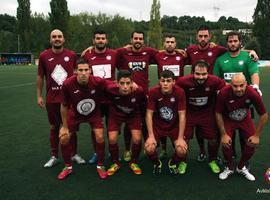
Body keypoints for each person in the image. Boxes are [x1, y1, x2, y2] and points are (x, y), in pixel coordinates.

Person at [36, 29, 85, 168]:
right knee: (54, 127)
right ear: (50, 39)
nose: (57, 39)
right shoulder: (44, 56)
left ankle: (74, 154)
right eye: (54, 37)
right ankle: (54, 156)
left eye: (59, 36)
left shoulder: (71, 55)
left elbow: (79, 74)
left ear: (63, 39)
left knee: (72, 128)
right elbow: (40, 77)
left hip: (69, 99)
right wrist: (39, 95)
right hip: (52, 98)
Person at [214, 31, 262, 160]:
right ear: (227, 43)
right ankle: (232, 153)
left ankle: (244, 158)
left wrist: (255, 86)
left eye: (235, 41)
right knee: (229, 128)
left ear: (240, 42)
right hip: (227, 101)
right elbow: (217, 80)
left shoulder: (248, 57)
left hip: (244, 99)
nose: (233, 43)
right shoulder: (220, 60)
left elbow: (254, 74)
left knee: (244, 129)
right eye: (230, 41)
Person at [57, 58, 108, 180]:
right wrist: (64, 126)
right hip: (75, 114)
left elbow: (112, 85)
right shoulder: (68, 84)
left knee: (100, 136)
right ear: (75, 71)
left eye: (86, 70)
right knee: (64, 138)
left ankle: (100, 166)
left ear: (90, 70)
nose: (84, 73)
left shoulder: (97, 81)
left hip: (94, 113)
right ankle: (68, 167)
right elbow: (63, 106)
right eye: (81, 70)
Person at [176, 60, 226, 174]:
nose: (201, 77)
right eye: (198, 74)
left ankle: (212, 160)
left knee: (213, 139)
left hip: (207, 113)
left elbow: (226, 88)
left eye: (204, 74)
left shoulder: (215, 80)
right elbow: (171, 87)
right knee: (184, 139)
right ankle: (183, 161)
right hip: (189, 113)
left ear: (208, 73)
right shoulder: (183, 81)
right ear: (193, 72)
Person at [216, 73, 268, 181]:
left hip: (244, 119)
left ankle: (241, 167)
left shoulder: (253, 93)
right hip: (228, 119)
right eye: (235, 86)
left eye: (241, 85)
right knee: (226, 142)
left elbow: (264, 115)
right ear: (231, 85)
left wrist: (256, 135)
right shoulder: (223, 93)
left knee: (252, 142)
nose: (238, 89)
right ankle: (229, 167)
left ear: (246, 84)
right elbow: (218, 113)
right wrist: (223, 134)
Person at [117, 31, 158, 162]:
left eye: (140, 38)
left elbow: (164, 54)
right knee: (128, 124)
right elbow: (109, 52)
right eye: (135, 38)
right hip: (127, 95)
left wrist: (178, 50)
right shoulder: (123, 53)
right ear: (131, 39)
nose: (138, 41)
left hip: (144, 95)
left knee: (146, 122)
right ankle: (127, 150)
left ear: (143, 40)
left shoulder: (148, 52)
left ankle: (147, 145)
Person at [83, 30, 118, 164]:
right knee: (95, 127)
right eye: (98, 38)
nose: (100, 41)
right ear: (93, 41)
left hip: (110, 98)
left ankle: (111, 151)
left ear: (106, 40)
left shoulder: (114, 54)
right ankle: (97, 152)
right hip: (94, 98)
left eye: (103, 38)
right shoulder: (87, 55)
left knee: (111, 127)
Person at [145, 70, 187, 175]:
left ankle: (172, 163)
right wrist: (150, 136)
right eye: (163, 81)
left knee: (182, 150)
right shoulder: (153, 92)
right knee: (149, 148)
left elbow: (182, 115)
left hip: (174, 126)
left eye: (168, 81)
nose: (165, 83)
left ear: (174, 82)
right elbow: (149, 114)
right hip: (158, 126)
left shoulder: (180, 92)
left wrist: (181, 138)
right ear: (159, 81)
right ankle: (156, 162)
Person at [105, 70, 146, 176]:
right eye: (122, 83)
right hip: (115, 115)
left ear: (132, 83)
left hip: (133, 114)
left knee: (137, 138)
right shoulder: (110, 89)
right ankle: (115, 163)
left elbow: (143, 105)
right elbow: (102, 84)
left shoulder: (139, 91)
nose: (125, 86)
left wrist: (142, 119)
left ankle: (134, 162)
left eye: (128, 83)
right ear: (117, 83)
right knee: (112, 138)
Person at [154, 35, 187, 159]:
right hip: (163, 94)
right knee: (163, 119)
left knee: (177, 119)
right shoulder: (158, 55)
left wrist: (250, 51)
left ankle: (177, 144)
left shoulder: (182, 56)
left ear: (175, 44)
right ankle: (163, 148)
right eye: (167, 42)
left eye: (172, 42)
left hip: (178, 95)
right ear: (164, 44)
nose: (169, 44)